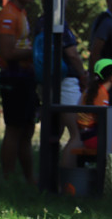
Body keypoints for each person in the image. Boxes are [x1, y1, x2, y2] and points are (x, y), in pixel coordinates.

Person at [0, 0, 37, 182]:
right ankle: (8, 179)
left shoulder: (22, 13)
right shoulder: (8, 16)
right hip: (13, 78)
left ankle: (30, 180)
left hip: (26, 77)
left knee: (28, 129)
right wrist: (38, 51)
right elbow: (8, 52)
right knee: (14, 129)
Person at [34, 12, 89, 167]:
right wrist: (82, 75)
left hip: (47, 82)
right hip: (66, 83)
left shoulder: (40, 21)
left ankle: (49, 180)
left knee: (53, 135)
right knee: (77, 135)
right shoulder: (59, 22)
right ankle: (68, 184)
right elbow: (72, 55)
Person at [78, 58, 112, 152]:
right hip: (94, 139)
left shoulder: (93, 90)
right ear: (111, 77)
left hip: (90, 137)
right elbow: (106, 125)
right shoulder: (101, 93)